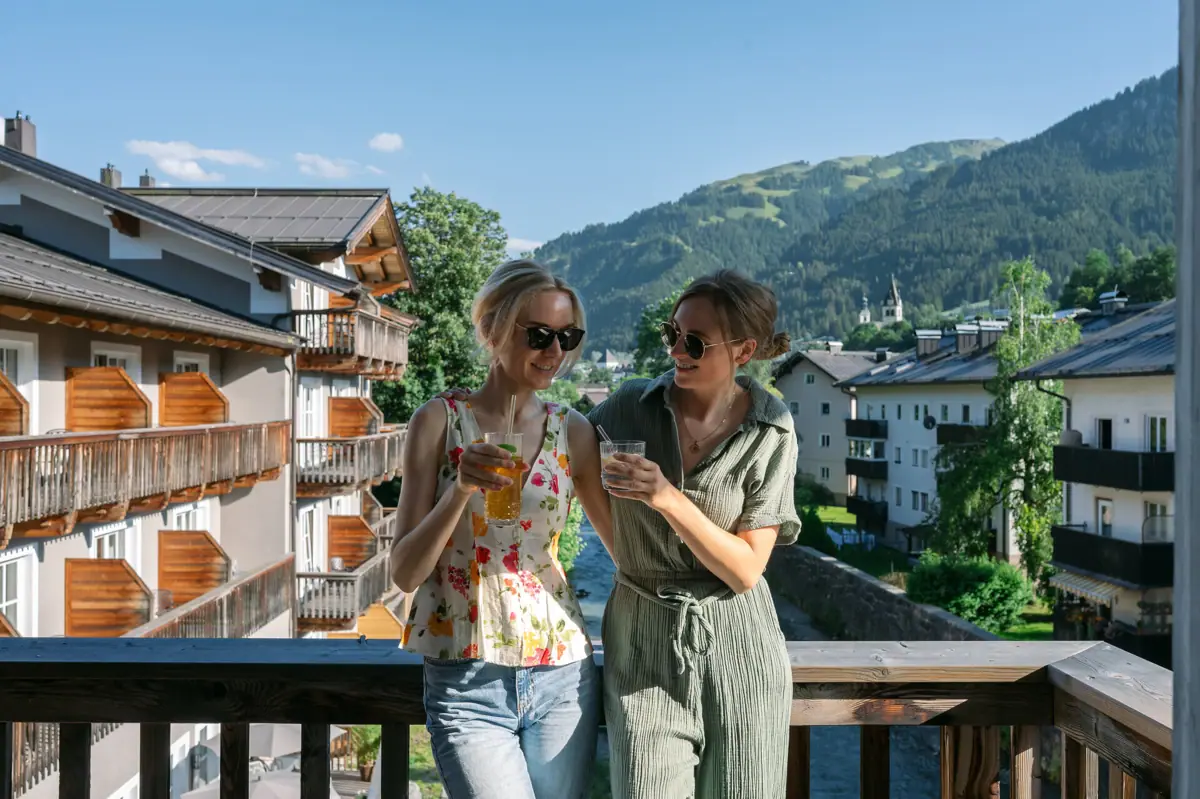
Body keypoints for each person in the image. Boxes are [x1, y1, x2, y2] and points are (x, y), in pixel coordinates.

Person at [389, 259, 611, 799]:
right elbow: (404, 572)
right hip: (466, 678)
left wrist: (659, 497)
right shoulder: (437, 421)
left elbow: (625, 553)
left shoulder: (572, 430)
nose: (555, 351)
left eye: (567, 336)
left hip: (562, 671)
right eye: (539, 335)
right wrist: (459, 489)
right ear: (492, 330)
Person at [592, 269, 800, 799]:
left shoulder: (771, 429)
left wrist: (665, 497)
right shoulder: (627, 407)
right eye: (672, 334)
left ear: (743, 350)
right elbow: (560, 448)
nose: (677, 350)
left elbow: (747, 569)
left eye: (695, 341)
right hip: (642, 643)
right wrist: (483, 398)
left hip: (741, 648)